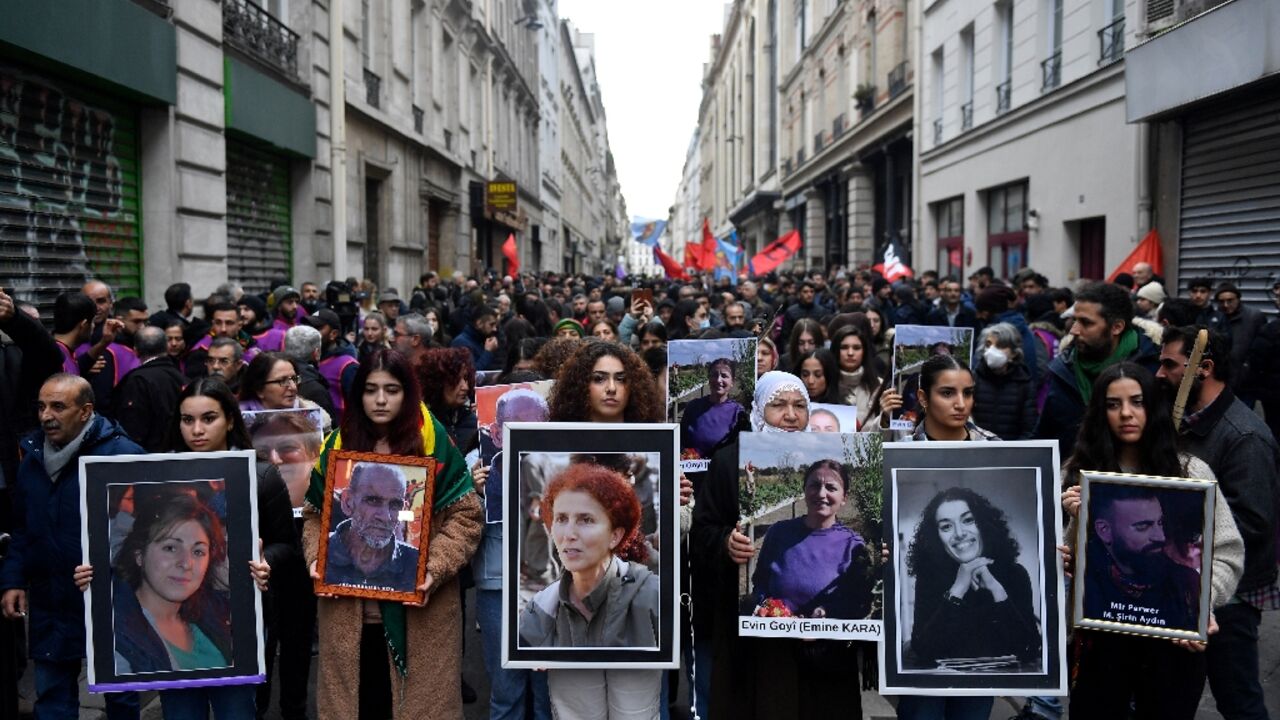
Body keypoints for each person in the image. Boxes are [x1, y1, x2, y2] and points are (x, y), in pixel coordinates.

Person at [301, 349, 482, 720]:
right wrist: (316, 558)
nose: (380, 400)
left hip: (421, 620)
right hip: (348, 617)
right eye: (370, 390)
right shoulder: (337, 444)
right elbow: (315, 516)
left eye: (392, 389)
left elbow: (466, 517)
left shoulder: (434, 441)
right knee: (359, 707)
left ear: (408, 393)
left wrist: (433, 566)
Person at [1059, 362, 1244, 719]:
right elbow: (1066, 567)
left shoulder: (1190, 471)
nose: (1126, 413)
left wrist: (1200, 602)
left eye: (1137, 401)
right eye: (1113, 404)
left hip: (1172, 646)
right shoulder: (1077, 472)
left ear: (1152, 407)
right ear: (1101, 412)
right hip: (1101, 645)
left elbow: (1226, 552)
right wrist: (1076, 520)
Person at [693, 370, 861, 718]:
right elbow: (703, 529)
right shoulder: (728, 461)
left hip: (823, 642)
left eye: (800, 405)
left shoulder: (831, 456)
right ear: (757, 411)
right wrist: (726, 542)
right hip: (754, 641)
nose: (791, 415)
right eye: (778, 405)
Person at [542, 341, 686, 719]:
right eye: (599, 378)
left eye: (620, 379)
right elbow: (543, 547)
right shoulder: (550, 448)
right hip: (573, 620)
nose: (610, 388)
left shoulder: (657, 448)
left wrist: (681, 501)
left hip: (636, 624)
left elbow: (674, 536)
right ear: (580, 386)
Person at [0, 374, 143, 719]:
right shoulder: (32, 456)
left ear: (85, 411)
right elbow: (22, 526)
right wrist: (13, 579)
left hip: (111, 600)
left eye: (58, 407)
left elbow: (148, 532)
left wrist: (110, 566)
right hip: (52, 599)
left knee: (120, 698)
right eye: (41, 406)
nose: (46, 415)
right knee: (51, 698)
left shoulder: (123, 454)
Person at [1156, 325, 1279, 720]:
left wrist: (1173, 532)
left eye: (1169, 365)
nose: (1160, 374)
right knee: (1174, 693)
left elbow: (1251, 522)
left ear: (1202, 368)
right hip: (1186, 580)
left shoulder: (1245, 437)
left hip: (1231, 595)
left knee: (1237, 697)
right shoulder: (1187, 420)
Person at [877, 355, 1000, 720]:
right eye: (948, 393)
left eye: (968, 393)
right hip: (924, 622)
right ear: (923, 397)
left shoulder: (997, 449)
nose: (961, 404)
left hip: (982, 645)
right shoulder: (895, 453)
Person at [518, 462, 659, 648]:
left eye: (586, 520)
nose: (569, 534)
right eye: (561, 519)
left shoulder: (651, 595)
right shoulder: (540, 610)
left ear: (615, 536)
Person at [902, 487, 1041, 669]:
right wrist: (957, 589)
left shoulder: (1015, 574)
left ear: (983, 524)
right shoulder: (929, 579)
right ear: (937, 537)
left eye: (968, 520)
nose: (959, 533)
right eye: (946, 527)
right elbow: (923, 650)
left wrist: (996, 590)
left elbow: (1029, 648)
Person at [1035, 281, 1159, 459]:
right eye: (1075, 320)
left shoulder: (1152, 370)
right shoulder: (1063, 370)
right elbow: (1044, 438)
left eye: (1086, 323)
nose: (1075, 330)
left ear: (1116, 327)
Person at [749, 460, 872, 619]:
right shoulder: (778, 533)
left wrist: (828, 613)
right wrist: (770, 609)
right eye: (814, 485)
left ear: (844, 498)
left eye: (831, 487)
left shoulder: (854, 546)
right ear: (804, 491)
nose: (821, 494)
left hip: (828, 642)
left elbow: (857, 601)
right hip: (776, 638)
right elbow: (760, 583)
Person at [1081, 484, 1199, 631]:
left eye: (1160, 523)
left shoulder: (1187, 583)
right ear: (1104, 531)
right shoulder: (1084, 581)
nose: (1160, 537)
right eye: (1143, 526)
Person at [325, 463, 420, 591]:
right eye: (373, 501)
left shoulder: (415, 563)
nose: (386, 517)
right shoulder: (320, 551)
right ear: (348, 503)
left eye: (395, 504)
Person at [112, 326, 187, 452]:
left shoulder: (137, 381)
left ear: (135, 351)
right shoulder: (181, 377)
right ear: (166, 347)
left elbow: (133, 428)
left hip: (148, 458)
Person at [971, 322, 1037, 440]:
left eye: (1000, 345)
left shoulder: (1024, 383)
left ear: (1014, 353)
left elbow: (1029, 429)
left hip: (1012, 453)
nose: (991, 350)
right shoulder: (974, 379)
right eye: (988, 344)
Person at [678, 357, 749, 461]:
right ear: (709, 379)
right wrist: (684, 453)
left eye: (724, 376)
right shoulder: (693, 407)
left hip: (721, 473)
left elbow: (741, 449)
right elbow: (679, 439)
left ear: (732, 381)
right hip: (692, 472)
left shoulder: (738, 412)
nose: (718, 380)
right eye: (714, 375)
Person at [416, 347, 478, 453]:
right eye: (457, 380)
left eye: (466, 378)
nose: (465, 387)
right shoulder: (422, 423)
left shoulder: (472, 419)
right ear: (438, 382)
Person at [1213, 282, 1264, 399]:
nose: (1226, 305)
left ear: (1238, 299)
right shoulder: (1216, 319)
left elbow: (1261, 349)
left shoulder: (1254, 317)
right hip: (1222, 381)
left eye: (1230, 300)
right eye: (1221, 301)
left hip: (1246, 383)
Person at [831, 324, 882, 426]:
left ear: (864, 352)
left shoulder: (879, 385)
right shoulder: (825, 383)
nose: (850, 353)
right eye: (844, 347)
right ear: (836, 350)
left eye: (856, 348)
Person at [452, 305, 501, 371]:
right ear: (479, 323)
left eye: (496, 325)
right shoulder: (460, 343)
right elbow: (472, 373)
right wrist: (488, 352)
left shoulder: (485, 339)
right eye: (491, 324)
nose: (495, 329)